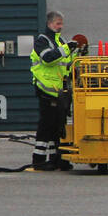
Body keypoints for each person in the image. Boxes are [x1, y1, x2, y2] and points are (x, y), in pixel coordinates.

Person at [30, 10, 76, 170]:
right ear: (50, 24)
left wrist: (77, 52)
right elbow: (48, 59)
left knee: (59, 126)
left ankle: (58, 158)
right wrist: (66, 49)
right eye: (58, 23)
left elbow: (68, 64)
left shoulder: (60, 41)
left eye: (61, 24)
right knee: (46, 125)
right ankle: (39, 160)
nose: (61, 27)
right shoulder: (42, 41)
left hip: (60, 92)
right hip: (46, 90)